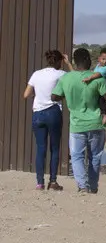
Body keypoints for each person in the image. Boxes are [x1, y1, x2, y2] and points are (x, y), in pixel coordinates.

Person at [52, 48, 106, 193]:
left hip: (77, 125)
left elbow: (54, 97)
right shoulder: (97, 77)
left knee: (77, 156)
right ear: (89, 60)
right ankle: (93, 187)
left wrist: (67, 94)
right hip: (96, 123)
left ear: (75, 61)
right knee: (95, 157)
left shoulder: (66, 78)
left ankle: (82, 186)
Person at [24, 50, 69, 190]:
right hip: (53, 112)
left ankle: (39, 182)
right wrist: (69, 63)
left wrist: (37, 96)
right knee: (54, 148)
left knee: (41, 148)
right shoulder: (61, 74)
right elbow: (76, 77)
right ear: (59, 61)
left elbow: (26, 94)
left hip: (38, 113)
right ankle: (53, 181)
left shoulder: (36, 74)